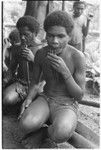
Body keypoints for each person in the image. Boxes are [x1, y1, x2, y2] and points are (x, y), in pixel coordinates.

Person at [18, 10, 86, 146]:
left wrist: (65, 72)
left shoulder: (77, 57)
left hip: (67, 103)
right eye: (50, 36)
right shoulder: (41, 54)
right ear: (46, 34)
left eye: (61, 36)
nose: (54, 41)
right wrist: (29, 99)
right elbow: (36, 83)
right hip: (46, 98)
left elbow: (79, 96)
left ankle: (44, 133)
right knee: (25, 124)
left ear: (69, 36)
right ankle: (45, 124)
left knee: (61, 133)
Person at [3, 15, 44, 106]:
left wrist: (33, 59)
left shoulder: (43, 49)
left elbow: (47, 74)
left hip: (38, 84)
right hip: (21, 84)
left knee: (42, 101)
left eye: (26, 34)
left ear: (35, 33)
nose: (22, 37)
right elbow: (12, 69)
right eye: (20, 34)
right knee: (6, 99)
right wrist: (5, 80)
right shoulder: (17, 48)